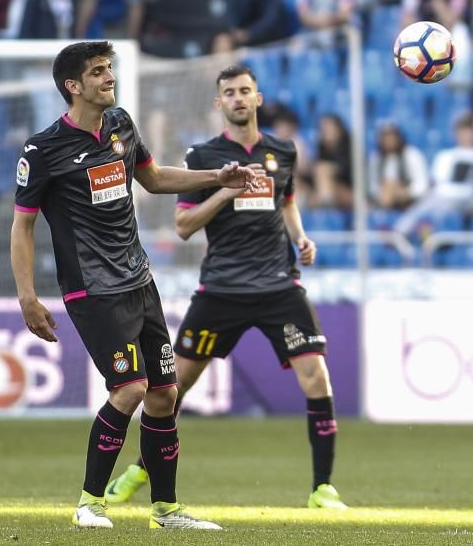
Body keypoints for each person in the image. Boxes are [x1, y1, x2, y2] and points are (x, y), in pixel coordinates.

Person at [9, 41, 260, 528]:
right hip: (93, 288)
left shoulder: (121, 124)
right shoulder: (43, 149)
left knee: (164, 394)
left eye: (110, 68)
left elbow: (156, 178)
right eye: (98, 71)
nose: (110, 77)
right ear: (73, 86)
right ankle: (89, 503)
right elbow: (23, 225)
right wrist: (27, 296)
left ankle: (166, 510)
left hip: (139, 280)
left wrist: (219, 177)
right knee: (130, 388)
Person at [104, 65, 347, 510]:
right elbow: (183, 226)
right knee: (171, 388)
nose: (238, 98)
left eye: (245, 90)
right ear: (219, 103)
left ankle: (322, 489)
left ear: (258, 98)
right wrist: (225, 191)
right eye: (229, 92)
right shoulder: (203, 156)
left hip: (278, 285)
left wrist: (300, 238)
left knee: (317, 376)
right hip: (221, 289)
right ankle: (141, 468)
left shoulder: (283, 150)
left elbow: (287, 201)